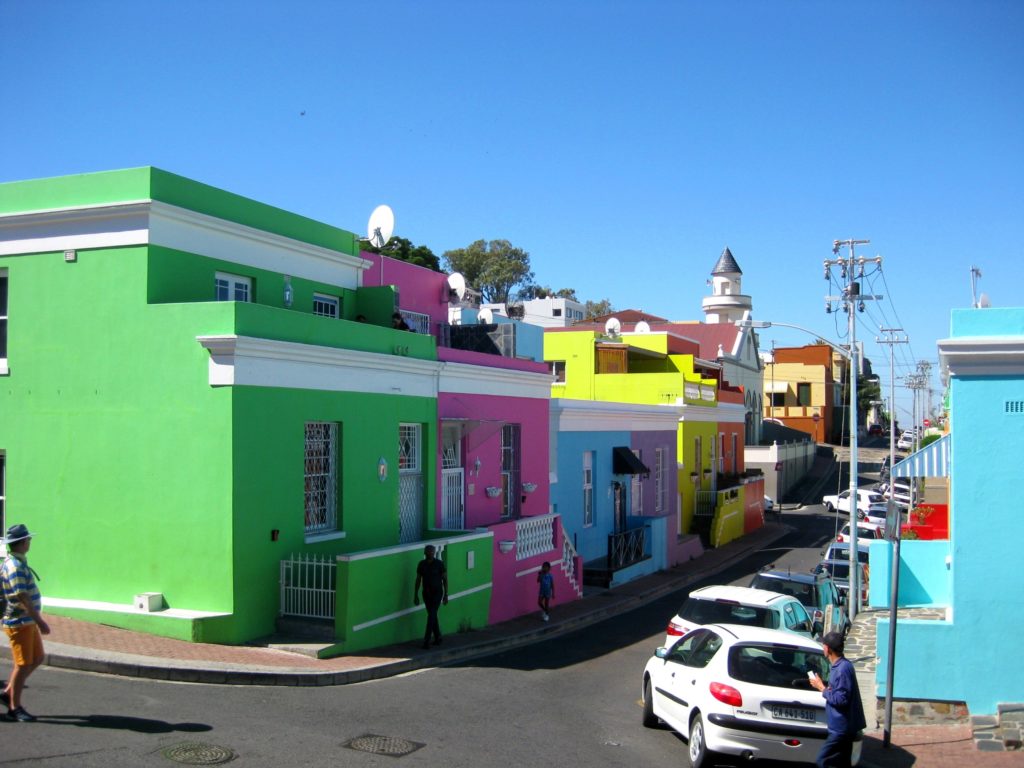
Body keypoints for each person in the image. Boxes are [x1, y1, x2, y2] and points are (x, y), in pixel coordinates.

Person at [1, 524, 49, 723]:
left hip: (26, 621)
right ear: (21, 543)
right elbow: (22, 596)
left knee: (37, 658)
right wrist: (40, 621)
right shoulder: (14, 566)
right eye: (28, 539)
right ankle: (15, 707)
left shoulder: (17, 561)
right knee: (22, 665)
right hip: (19, 622)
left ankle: (9, 692)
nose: (30, 542)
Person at [809, 631, 866, 767]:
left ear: (828, 649)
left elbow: (841, 699)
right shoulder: (840, 666)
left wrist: (822, 688)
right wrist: (827, 688)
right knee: (842, 763)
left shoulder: (842, 669)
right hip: (841, 728)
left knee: (822, 761)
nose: (823, 647)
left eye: (824, 645)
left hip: (840, 729)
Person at [413, 545, 447, 649]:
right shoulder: (421, 564)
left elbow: (445, 579)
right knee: (432, 615)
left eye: (431, 552)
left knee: (431, 615)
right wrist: (416, 595)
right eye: (427, 552)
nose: (429, 554)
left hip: (437, 593)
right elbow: (418, 579)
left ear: (434, 553)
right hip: (426, 593)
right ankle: (438, 637)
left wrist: (446, 594)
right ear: (425, 552)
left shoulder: (439, 564)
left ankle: (426, 640)